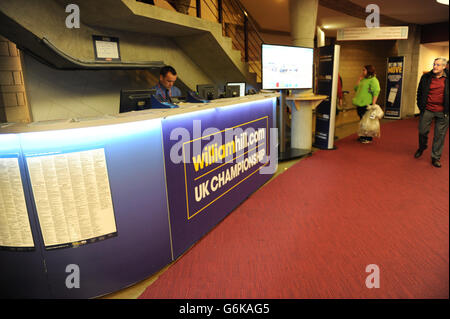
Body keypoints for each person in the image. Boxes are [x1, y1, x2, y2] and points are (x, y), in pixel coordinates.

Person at [414, 57, 449, 168]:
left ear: (444, 66)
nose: (435, 66)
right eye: (434, 64)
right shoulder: (426, 77)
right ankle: (422, 147)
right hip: (427, 109)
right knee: (422, 131)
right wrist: (421, 107)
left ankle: (435, 157)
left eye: (438, 65)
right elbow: (419, 92)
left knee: (440, 136)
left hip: (443, 112)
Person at [352, 65, 381, 144]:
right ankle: (363, 136)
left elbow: (376, 91)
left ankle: (368, 137)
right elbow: (356, 88)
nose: (363, 71)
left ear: (369, 71)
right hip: (360, 103)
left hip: (367, 104)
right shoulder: (364, 79)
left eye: (364, 70)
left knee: (368, 122)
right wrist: (359, 79)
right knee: (362, 120)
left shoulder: (373, 80)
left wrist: (373, 104)